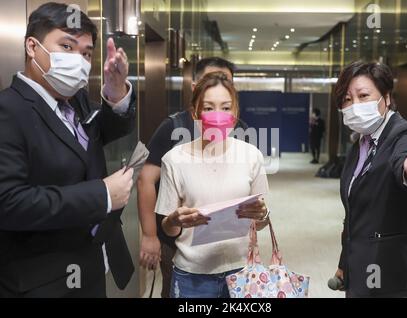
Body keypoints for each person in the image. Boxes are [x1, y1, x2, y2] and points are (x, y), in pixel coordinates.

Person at [0, 2, 136, 297]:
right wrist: (101, 195)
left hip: (92, 265)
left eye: (86, 53)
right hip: (43, 280)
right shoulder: (8, 111)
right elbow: (8, 203)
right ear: (32, 47)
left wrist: (115, 92)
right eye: (66, 46)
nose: (79, 60)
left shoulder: (76, 101)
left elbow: (105, 132)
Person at [137, 57, 247, 298]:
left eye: (226, 81)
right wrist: (149, 235)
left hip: (225, 248)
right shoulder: (173, 126)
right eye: (212, 79)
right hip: (178, 243)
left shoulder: (237, 131)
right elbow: (145, 179)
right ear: (196, 85)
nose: (219, 85)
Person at [333, 61, 407, 298]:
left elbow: (406, 169)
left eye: (364, 96)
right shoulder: (360, 144)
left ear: (386, 96)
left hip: (401, 275)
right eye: (347, 99)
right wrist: (345, 263)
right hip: (363, 271)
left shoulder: (405, 134)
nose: (355, 106)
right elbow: (355, 214)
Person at [156, 72, 270, 298]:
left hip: (242, 272)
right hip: (192, 276)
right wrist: (174, 220)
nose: (218, 115)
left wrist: (263, 214)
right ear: (195, 113)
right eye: (208, 108)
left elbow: (260, 222)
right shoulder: (174, 159)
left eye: (226, 107)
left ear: (235, 113)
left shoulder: (251, 156)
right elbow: (168, 228)